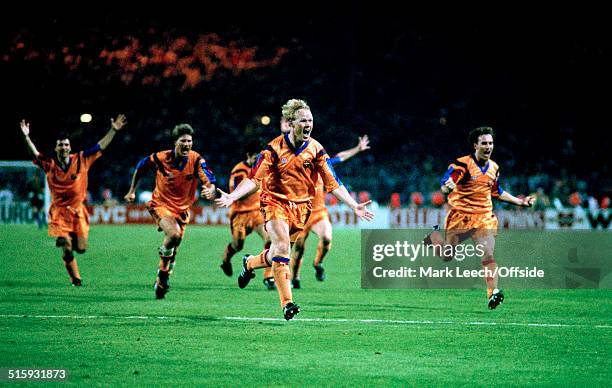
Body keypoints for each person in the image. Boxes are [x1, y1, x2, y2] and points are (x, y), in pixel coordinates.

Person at [215, 99, 374, 320]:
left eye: (310, 120)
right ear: (291, 123)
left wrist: (353, 205)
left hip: (302, 209)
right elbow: (254, 179)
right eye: (303, 120)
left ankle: (250, 263)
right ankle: (287, 303)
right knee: (281, 248)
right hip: (274, 203)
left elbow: (334, 182)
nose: (308, 124)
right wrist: (232, 196)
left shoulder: (316, 150)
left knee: (277, 253)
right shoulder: (273, 149)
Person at [424, 126, 535, 309]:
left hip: (484, 217)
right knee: (446, 256)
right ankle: (433, 238)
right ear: (475, 145)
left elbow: (496, 191)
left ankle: (493, 293)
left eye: (491, 143)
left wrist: (520, 202)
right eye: (484, 143)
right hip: (461, 216)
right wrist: (447, 188)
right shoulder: (463, 165)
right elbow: (446, 184)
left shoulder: (494, 167)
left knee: (488, 253)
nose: (488, 146)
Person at [19, 115, 127, 286]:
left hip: (78, 211)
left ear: (70, 148)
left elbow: (100, 146)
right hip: (59, 212)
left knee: (81, 249)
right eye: (60, 145)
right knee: (66, 246)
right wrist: (26, 136)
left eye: (66, 144)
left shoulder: (82, 159)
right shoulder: (49, 164)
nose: (64, 147)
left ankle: (68, 243)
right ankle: (75, 278)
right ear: (56, 148)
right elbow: (34, 152)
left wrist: (113, 130)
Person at [124, 123, 216, 299]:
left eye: (190, 141)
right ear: (175, 142)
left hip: (182, 210)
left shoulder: (196, 159)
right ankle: (163, 275)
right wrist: (132, 190)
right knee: (173, 234)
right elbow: (141, 166)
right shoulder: (161, 158)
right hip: (160, 205)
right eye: (183, 141)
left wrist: (209, 188)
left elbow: (208, 177)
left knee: (175, 246)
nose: (187, 144)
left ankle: (162, 278)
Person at [290, 135, 370, 288]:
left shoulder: (321, 165)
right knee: (299, 249)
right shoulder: (293, 168)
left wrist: (357, 149)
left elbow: (339, 157)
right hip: (298, 213)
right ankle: (295, 279)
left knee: (326, 237)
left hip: (317, 212)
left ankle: (318, 263)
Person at [220, 140, 274, 290]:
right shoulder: (239, 171)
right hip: (240, 214)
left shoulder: (262, 168)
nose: (259, 160)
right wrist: (256, 187)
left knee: (270, 238)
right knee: (238, 244)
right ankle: (225, 260)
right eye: (256, 157)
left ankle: (268, 276)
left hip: (257, 213)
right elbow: (239, 194)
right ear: (249, 156)